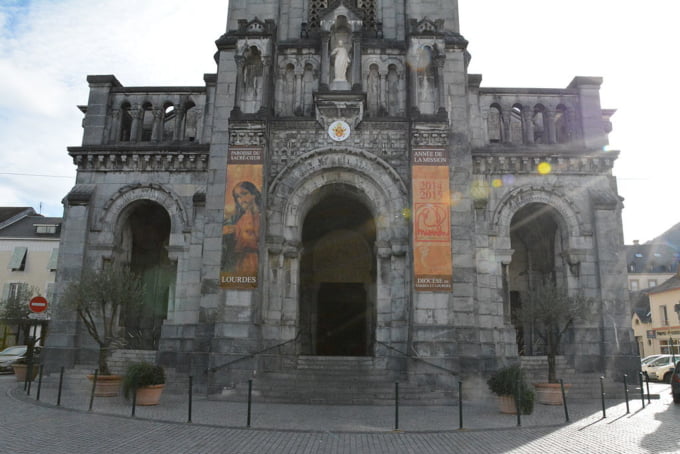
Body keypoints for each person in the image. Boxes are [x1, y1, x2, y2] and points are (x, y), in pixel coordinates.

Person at [222, 181, 262, 275]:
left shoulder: (260, 217)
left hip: (252, 261)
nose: (241, 199)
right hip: (237, 262)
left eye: (244, 194)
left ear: (254, 194)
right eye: (237, 197)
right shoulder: (237, 218)